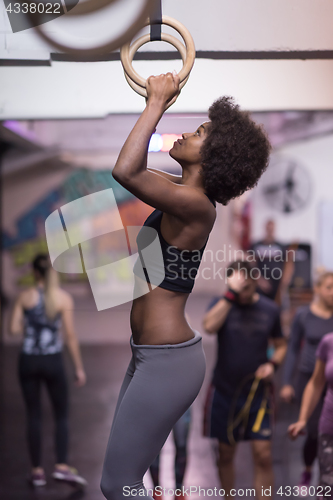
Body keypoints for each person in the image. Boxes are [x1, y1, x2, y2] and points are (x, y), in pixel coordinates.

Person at [100, 71, 271, 500]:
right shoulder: (181, 191)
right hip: (149, 355)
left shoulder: (197, 207)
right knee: (127, 480)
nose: (184, 135)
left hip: (167, 362)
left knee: (116, 486)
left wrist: (157, 102)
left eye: (197, 133)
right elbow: (134, 166)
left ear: (213, 157)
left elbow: (125, 170)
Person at [202, 260, 287, 500]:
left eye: (247, 288)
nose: (243, 293)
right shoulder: (222, 304)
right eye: (238, 288)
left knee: (263, 455)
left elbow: (281, 345)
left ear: (254, 281)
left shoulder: (270, 309)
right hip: (225, 390)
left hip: (258, 392)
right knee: (226, 454)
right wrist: (230, 295)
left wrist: (272, 364)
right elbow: (208, 326)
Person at [10, 254, 87, 488]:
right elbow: (70, 337)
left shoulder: (24, 297)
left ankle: (37, 472)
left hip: (28, 361)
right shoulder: (64, 298)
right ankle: (62, 466)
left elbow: (12, 330)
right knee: (61, 414)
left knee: (34, 415)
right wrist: (79, 368)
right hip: (52, 362)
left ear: (34, 273)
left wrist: (29, 319)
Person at [280, 272, 333, 489]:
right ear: (318, 289)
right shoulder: (303, 315)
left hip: (330, 379)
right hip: (307, 377)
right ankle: (308, 470)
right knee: (313, 431)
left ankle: (324, 472)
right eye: (329, 287)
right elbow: (292, 349)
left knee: (323, 431)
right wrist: (286, 382)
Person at [288, 332, 333, 497]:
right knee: (327, 489)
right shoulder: (328, 342)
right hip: (329, 429)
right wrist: (302, 419)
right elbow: (316, 383)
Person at [149, 408, 191, 500]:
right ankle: (156, 490)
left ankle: (179, 491)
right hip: (156, 401)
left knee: (181, 445)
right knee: (154, 448)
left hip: (181, 400)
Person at [251, 220, 287, 301]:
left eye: (272, 228)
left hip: (277, 284)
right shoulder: (256, 245)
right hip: (260, 283)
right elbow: (251, 264)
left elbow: (287, 264)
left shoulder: (281, 246)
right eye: (268, 228)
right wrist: (259, 280)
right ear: (265, 228)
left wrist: (284, 283)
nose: (270, 230)